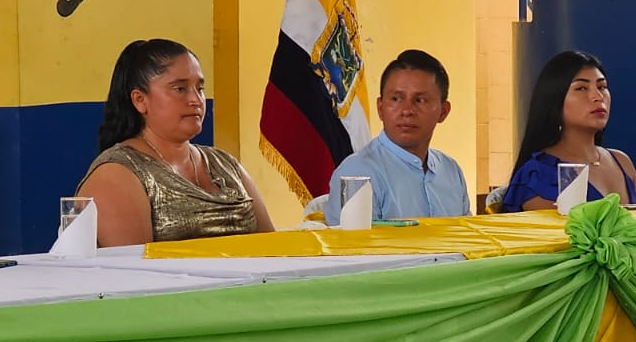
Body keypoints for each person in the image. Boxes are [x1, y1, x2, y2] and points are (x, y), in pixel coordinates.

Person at [77, 39, 275, 245]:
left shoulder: (226, 164)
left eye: (200, 88)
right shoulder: (117, 174)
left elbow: (274, 250)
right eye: (180, 89)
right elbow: (133, 272)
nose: (196, 100)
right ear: (140, 100)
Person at [324, 49, 470, 225]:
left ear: (443, 111)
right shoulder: (357, 173)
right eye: (395, 99)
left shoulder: (451, 171)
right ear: (380, 108)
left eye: (420, 100)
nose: (407, 111)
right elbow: (351, 250)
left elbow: (466, 240)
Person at [501, 50, 636, 213]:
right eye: (582, 88)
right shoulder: (539, 173)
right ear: (554, 99)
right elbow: (557, 235)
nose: (597, 96)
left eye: (602, 87)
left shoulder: (621, 161)